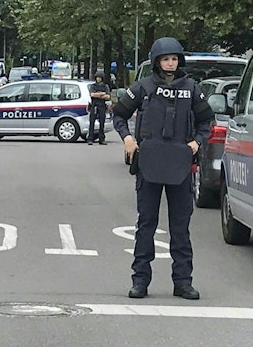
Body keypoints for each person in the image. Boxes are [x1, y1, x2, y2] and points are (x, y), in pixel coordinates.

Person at [112, 37, 214, 301]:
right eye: (166, 59)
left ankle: (183, 282)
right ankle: (140, 281)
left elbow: (207, 120)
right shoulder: (143, 87)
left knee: (180, 228)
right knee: (146, 225)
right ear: (157, 61)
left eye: (174, 59)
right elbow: (119, 114)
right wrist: (127, 138)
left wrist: (196, 142)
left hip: (180, 165)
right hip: (149, 164)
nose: (171, 63)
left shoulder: (191, 89)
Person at [88, 69, 111, 145]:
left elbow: (108, 96)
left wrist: (97, 94)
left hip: (102, 106)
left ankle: (101, 139)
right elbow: (92, 94)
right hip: (94, 105)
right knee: (92, 122)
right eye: (97, 77)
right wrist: (102, 94)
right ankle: (90, 139)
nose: (98, 79)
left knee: (102, 122)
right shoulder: (93, 86)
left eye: (100, 77)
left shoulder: (105, 86)